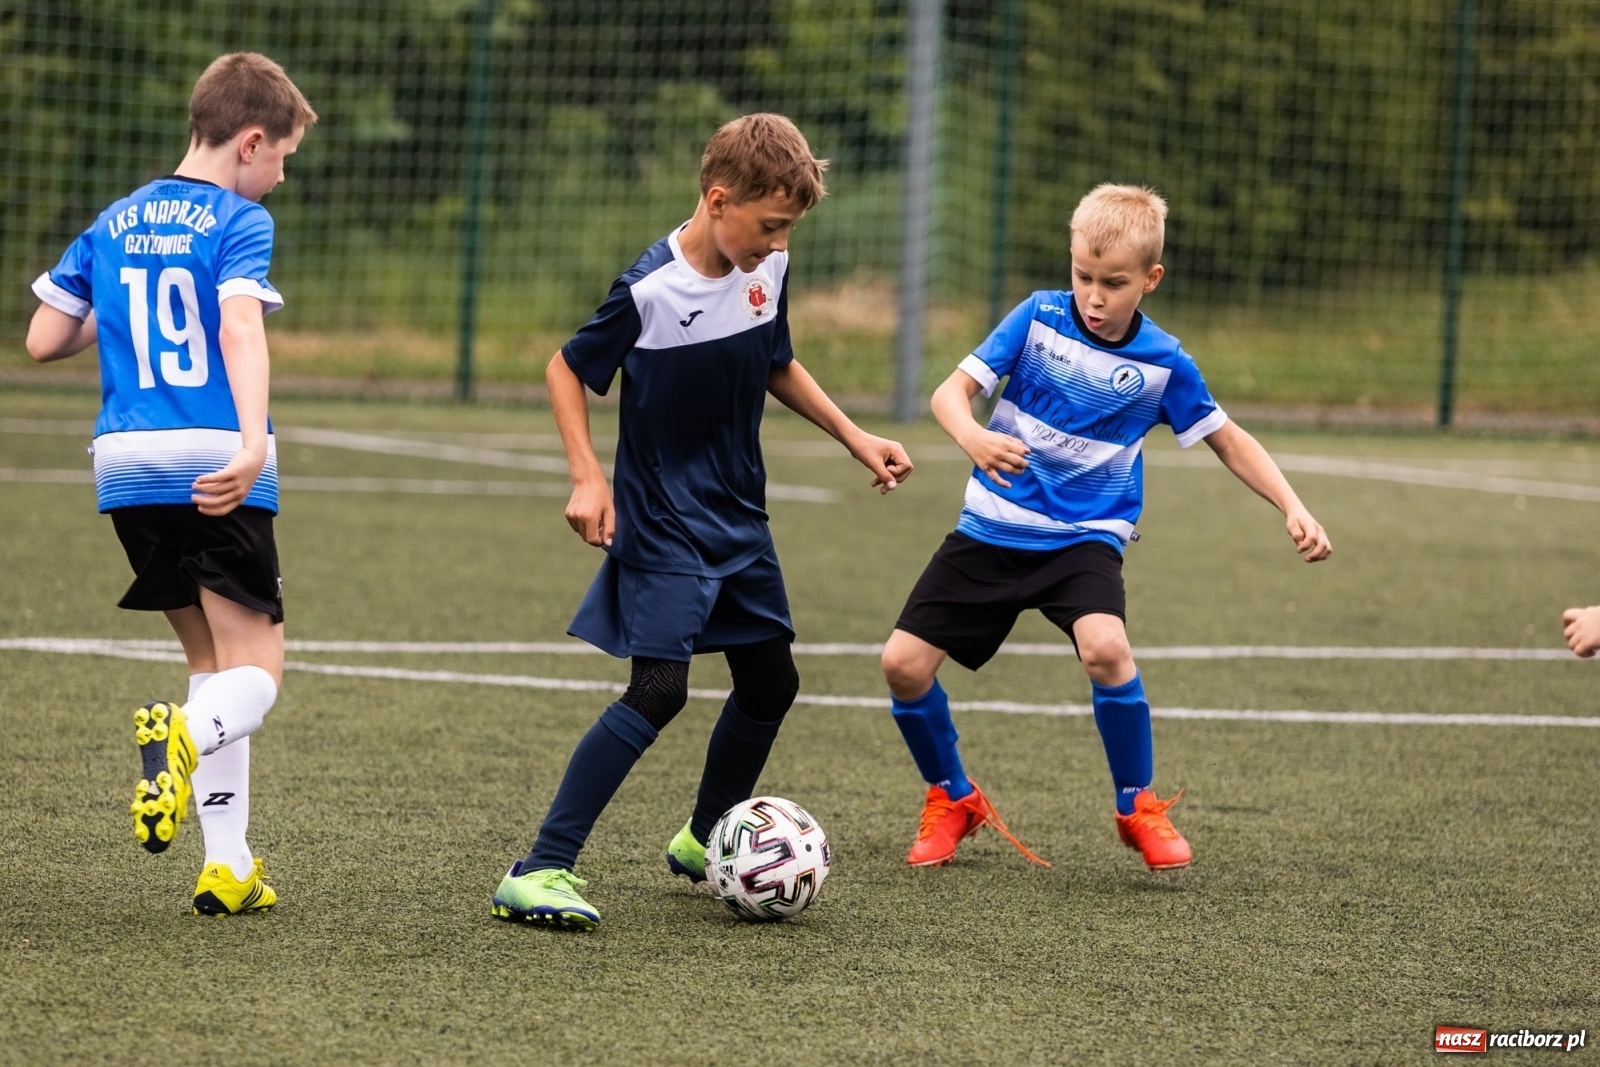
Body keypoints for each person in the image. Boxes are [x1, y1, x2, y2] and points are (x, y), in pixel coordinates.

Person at [491, 113, 914, 931]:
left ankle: (705, 834)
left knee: (771, 681)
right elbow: (566, 368)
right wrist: (587, 476)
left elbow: (776, 362)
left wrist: (857, 437)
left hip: (737, 515)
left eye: (788, 228)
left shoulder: (771, 266)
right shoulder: (651, 288)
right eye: (769, 225)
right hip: (662, 517)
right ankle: (539, 866)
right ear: (718, 200)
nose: (778, 242)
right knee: (659, 690)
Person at [879, 183, 1332, 873]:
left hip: (1082, 540)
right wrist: (971, 436)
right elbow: (951, 393)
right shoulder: (1036, 319)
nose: (1094, 295)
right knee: (902, 666)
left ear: (1150, 279)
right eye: (1083, 276)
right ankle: (953, 795)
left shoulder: (1163, 361)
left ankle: (1137, 804)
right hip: (991, 528)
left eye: (1114, 283)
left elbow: (1229, 440)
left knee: (1106, 648)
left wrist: (1292, 505)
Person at [25, 53, 315, 915]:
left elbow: (44, 337)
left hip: (124, 467)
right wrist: (254, 440)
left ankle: (227, 864)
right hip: (212, 456)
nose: (280, 177)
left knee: (212, 661)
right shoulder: (238, 220)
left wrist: (120, 304)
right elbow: (238, 327)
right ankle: (182, 738)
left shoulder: (114, 220)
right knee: (259, 666)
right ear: (251, 141)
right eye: (283, 159)